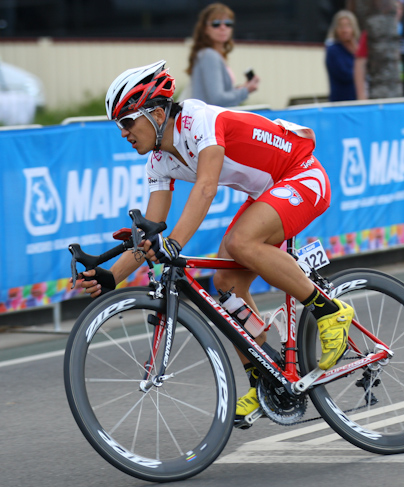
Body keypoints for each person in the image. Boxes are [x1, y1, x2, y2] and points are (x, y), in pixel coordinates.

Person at [74, 60, 354, 421]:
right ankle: (267, 378)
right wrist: (113, 276)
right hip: (267, 192)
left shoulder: (197, 120)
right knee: (225, 284)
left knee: (240, 243)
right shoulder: (158, 161)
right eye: (119, 126)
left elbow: (206, 186)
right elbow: (151, 230)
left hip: (301, 175)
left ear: (156, 113)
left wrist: (173, 245)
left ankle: (330, 310)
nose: (124, 133)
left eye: (127, 122)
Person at [186, 2, 259, 107]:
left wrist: (242, 88)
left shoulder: (211, 54)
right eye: (216, 24)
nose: (223, 27)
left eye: (228, 24)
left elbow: (219, 94)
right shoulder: (209, 55)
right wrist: (245, 90)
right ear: (205, 29)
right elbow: (217, 99)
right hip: (209, 121)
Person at [354, 0, 404, 100]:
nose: (395, 11)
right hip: (381, 93)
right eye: (392, 7)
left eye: (398, 7)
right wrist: (362, 96)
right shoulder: (371, 31)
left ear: (402, 10)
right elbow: (360, 64)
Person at [325, 9, 360, 102]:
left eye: (348, 26)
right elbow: (345, 75)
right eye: (341, 26)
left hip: (358, 100)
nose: (345, 30)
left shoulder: (358, 48)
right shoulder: (333, 50)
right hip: (340, 102)